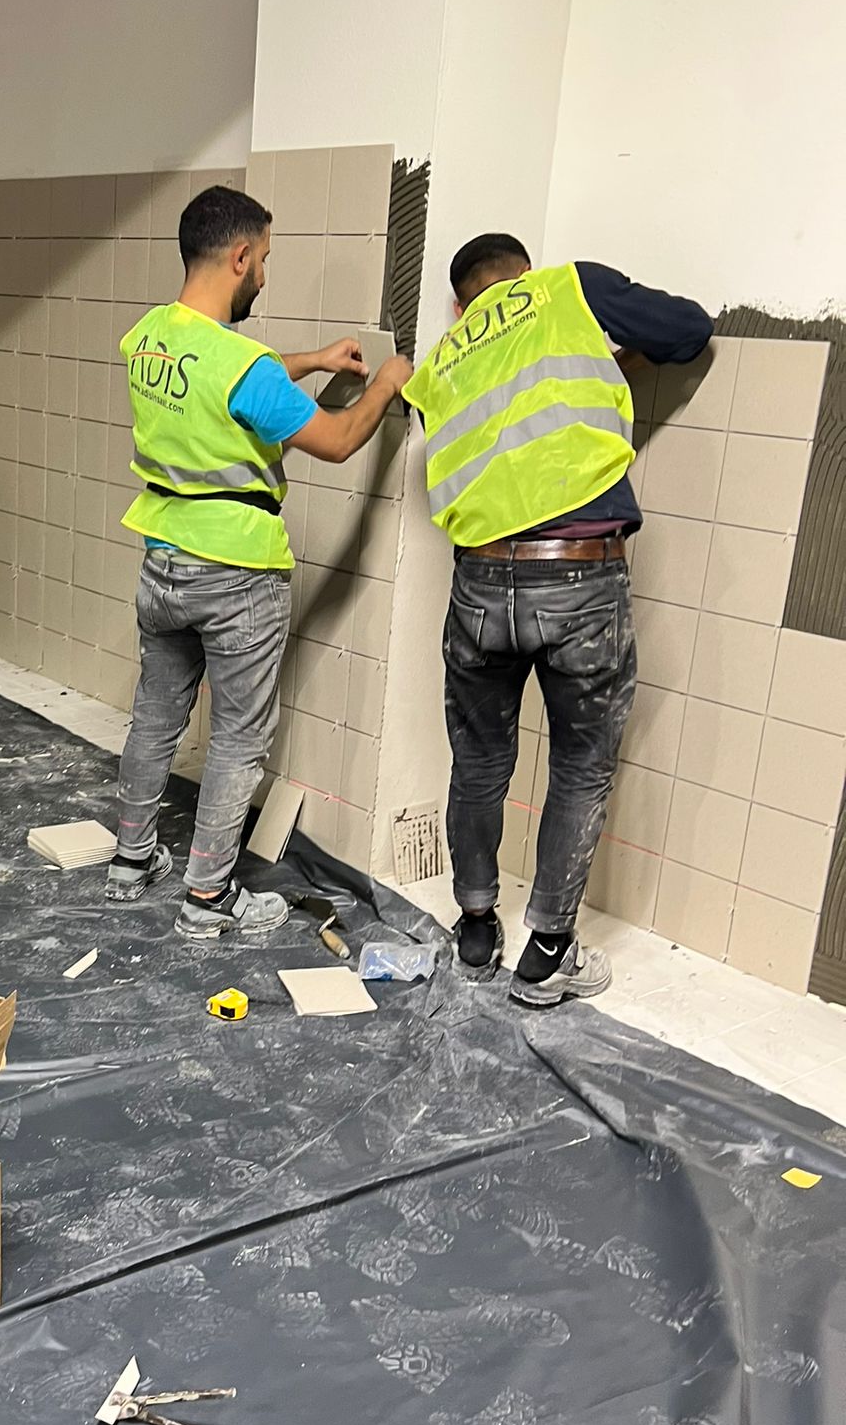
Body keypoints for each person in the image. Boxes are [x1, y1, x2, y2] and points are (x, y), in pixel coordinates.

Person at [404, 235, 712, 1006]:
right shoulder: (567, 289)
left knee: (479, 762)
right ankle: (547, 955)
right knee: (579, 764)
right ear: (524, 274)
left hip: (479, 581)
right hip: (579, 572)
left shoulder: (441, 360)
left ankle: (477, 929)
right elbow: (688, 331)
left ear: (459, 304)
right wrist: (615, 363)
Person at [108, 184, 414, 939]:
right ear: (241, 256)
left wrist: (313, 361)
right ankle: (208, 898)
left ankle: (131, 861)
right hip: (236, 571)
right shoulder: (244, 366)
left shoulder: (149, 336)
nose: (266, 276)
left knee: (156, 717)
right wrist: (384, 384)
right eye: (266, 260)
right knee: (238, 738)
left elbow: (231, 372)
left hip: (163, 558)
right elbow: (337, 441)